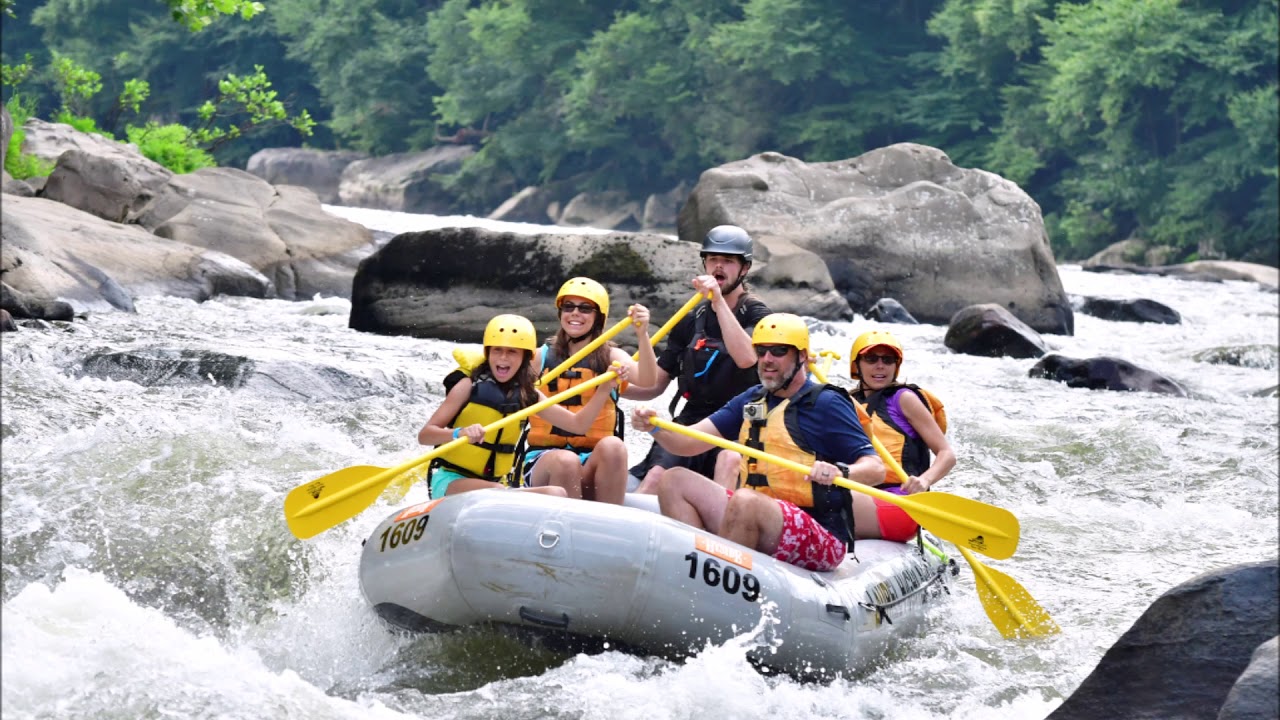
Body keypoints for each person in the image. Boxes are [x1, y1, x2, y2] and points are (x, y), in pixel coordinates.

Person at [630, 313, 885, 572]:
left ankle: (717, 577)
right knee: (674, 480)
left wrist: (840, 471)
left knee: (745, 501)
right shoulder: (752, 399)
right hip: (756, 513)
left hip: (819, 530)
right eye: (761, 351)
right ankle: (697, 569)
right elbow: (687, 442)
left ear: (802, 357)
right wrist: (654, 428)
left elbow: (876, 469)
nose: (767, 360)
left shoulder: (827, 403)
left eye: (778, 351)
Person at [627, 225, 772, 493]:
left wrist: (717, 301)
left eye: (728, 261)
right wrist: (616, 386)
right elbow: (655, 385)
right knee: (655, 477)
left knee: (727, 466)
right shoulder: (690, 319)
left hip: (740, 423)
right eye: (713, 259)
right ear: (704, 263)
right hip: (692, 419)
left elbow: (747, 358)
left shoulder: (759, 316)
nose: (719, 266)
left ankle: (719, 528)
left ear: (744, 269)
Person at [418, 313, 624, 499]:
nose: (503, 358)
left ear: (525, 357)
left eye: (512, 352)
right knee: (500, 492)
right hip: (451, 480)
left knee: (557, 493)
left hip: (495, 484)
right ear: (488, 353)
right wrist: (458, 433)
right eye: (497, 351)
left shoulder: (528, 395)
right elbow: (425, 435)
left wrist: (604, 389)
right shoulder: (467, 385)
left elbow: (578, 425)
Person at [521, 277, 657, 504]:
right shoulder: (540, 357)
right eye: (568, 307)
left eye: (585, 308)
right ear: (560, 313)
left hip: (591, 461)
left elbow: (648, 378)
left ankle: (608, 521)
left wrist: (642, 335)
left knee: (614, 446)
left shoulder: (610, 358)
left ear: (598, 318)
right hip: (545, 462)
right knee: (566, 461)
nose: (575, 313)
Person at [846, 330, 956, 541]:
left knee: (828, 502)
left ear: (896, 366)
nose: (880, 366)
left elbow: (946, 454)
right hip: (860, 494)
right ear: (856, 365)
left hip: (900, 500)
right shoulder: (847, 402)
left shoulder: (903, 398)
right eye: (871, 359)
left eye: (888, 360)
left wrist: (924, 481)